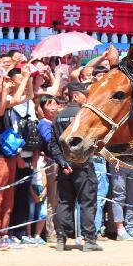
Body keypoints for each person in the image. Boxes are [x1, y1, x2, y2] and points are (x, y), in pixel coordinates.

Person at [47, 82, 102, 251]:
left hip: (64, 167)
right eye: (84, 94)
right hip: (83, 165)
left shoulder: (58, 117)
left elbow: (54, 145)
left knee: (64, 202)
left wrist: (62, 163)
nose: (87, 97)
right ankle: (89, 240)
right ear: (75, 96)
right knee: (87, 202)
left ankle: (61, 240)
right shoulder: (84, 115)